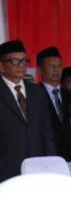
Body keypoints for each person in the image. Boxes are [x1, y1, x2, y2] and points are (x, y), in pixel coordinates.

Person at [0, 40, 56, 182]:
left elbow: (47, 133)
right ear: (1, 66)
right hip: (6, 171)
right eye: (14, 61)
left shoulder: (38, 92)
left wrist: (51, 163)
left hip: (38, 170)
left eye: (24, 61)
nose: (21, 65)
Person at [36, 47, 71, 160]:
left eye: (59, 66)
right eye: (51, 66)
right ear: (40, 70)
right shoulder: (34, 95)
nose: (56, 70)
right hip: (47, 158)